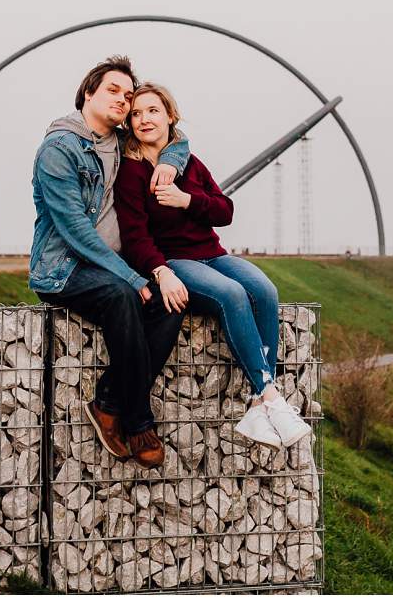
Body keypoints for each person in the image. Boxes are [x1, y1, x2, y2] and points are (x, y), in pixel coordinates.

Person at [114, 83, 312, 450]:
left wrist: (186, 200)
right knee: (232, 295)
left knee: (265, 290)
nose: (144, 119)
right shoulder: (131, 172)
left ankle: (257, 404)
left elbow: (225, 211)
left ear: (169, 116)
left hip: (214, 254)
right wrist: (161, 270)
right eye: (136, 113)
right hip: (174, 261)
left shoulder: (189, 163)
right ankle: (268, 397)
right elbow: (134, 237)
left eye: (152, 111)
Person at [30, 55, 190, 469]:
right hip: (63, 270)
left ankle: (107, 403)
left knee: (169, 304)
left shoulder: (122, 141)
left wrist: (171, 163)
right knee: (125, 296)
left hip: (112, 267)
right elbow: (75, 232)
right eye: (112, 91)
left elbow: (177, 138)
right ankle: (138, 421)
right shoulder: (59, 149)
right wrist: (132, 276)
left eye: (128, 94)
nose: (123, 100)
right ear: (88, 93)